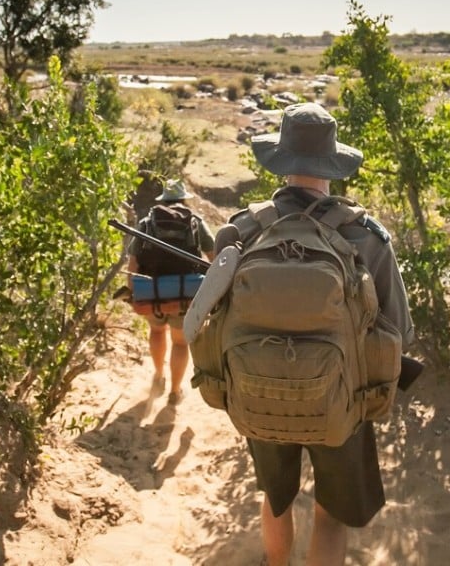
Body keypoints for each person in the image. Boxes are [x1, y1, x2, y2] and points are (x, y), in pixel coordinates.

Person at [221, 103, 415, 565]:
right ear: (332, 166)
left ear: (281, 162)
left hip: (256, 389)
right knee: (329, 514)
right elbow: (400, 333)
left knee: (276, 497)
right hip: (343, 401)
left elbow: (213, 318)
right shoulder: (368, 237)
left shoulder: (242, 230)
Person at [126, 178, 215, 405]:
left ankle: (159, 375)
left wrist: (133, 290)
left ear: (164, 200)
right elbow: (214, 258)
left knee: (157, 332)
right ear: (184, 199)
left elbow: (134, 262)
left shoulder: (148, 221)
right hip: (185, 292)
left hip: (152, 289)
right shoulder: (195, 221)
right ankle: (175, 391)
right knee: (180, 343)